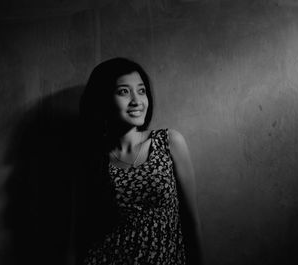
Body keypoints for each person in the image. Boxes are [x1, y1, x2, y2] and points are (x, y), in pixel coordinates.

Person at [77, 57, 203, 265]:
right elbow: (78, 234)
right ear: (103, 99)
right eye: (124, 92)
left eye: (141, 90)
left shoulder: (168, 142)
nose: (137, 100)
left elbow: (191, 223)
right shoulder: (92, 158)